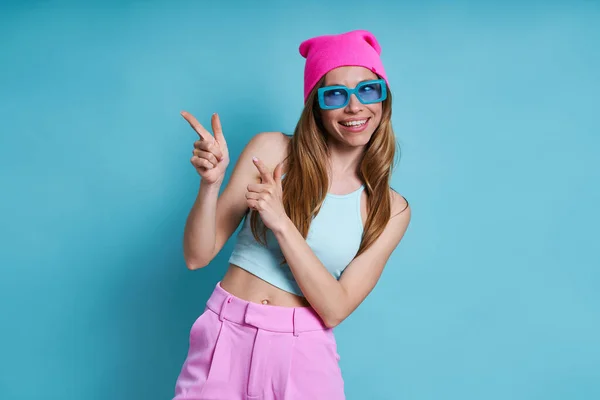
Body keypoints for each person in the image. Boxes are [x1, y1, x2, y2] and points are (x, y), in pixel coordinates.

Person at [172, 29, 411, 400]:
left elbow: (334, 308)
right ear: (316, 105)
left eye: (368, 89)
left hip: (301, 355)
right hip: (223, 336)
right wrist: (210, 185)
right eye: (335, 94)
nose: (355, 107)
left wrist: (281, 223)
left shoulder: (391, 209)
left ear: (383, 97)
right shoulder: (271, 150)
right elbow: (196, 256)